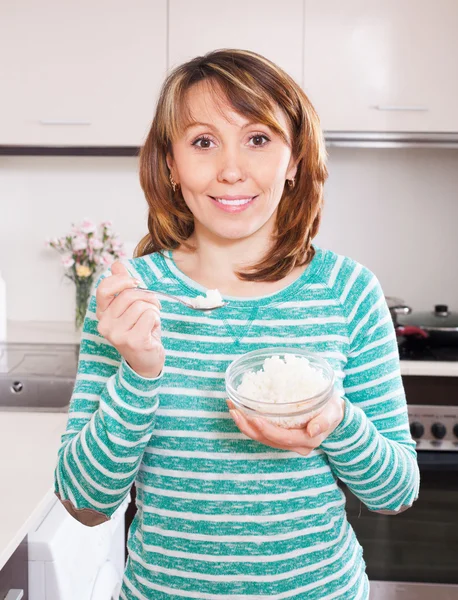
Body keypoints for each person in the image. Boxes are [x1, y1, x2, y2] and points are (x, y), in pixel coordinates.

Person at [54, 49, 420, 599]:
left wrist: (336, 421)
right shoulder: (130, 298)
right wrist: (139, 374)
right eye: (203, 142)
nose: (230, 169)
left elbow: (396, 491)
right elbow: (84, 505)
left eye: (258, 139)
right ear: (171, 165)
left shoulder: (348, 292)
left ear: (294, 159)